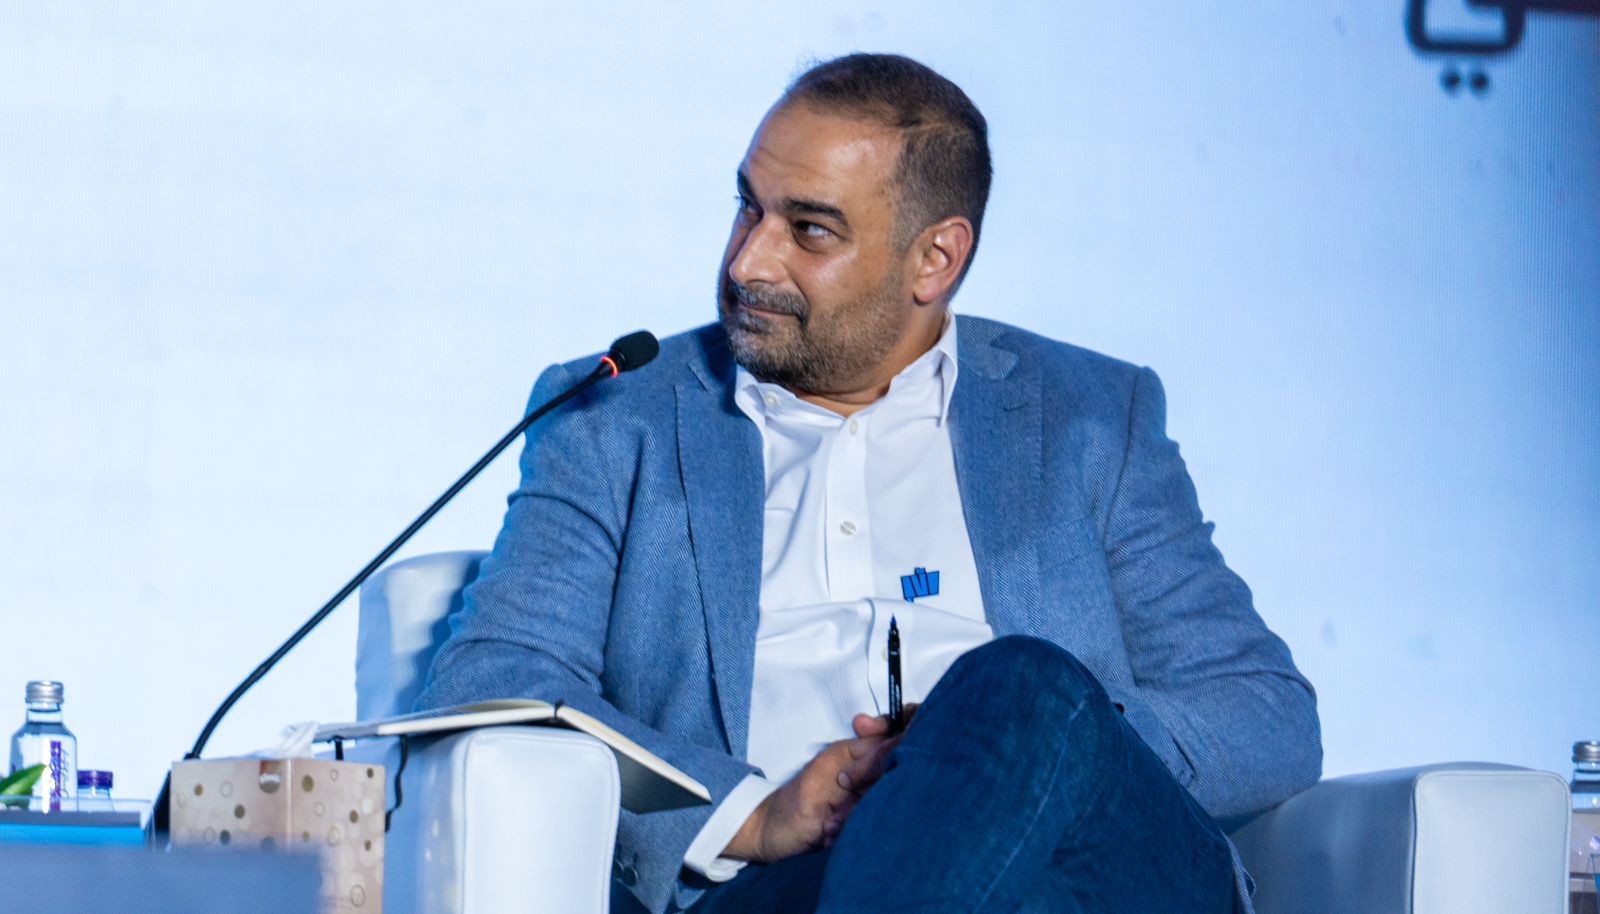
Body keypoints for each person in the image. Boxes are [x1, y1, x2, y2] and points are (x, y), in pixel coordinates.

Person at [417, 52, 1321, 914]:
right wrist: (753, 815)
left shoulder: (1090, 416)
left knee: (1016, 685)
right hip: (780, 889)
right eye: (747, 207)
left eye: (809, 230)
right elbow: (493, 682)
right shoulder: (618, 417)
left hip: (1105, 872)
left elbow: (1266, 714)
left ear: (936, 259)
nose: (748, 262)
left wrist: (992, 746)